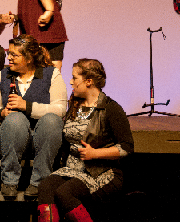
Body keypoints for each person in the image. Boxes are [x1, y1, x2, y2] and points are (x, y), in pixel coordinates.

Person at [37, 59, 134, 222]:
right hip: (72, 169)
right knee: (46, 187)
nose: (70, 81)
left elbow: (126, 148)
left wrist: (95, 153)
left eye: (75, 78)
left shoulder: (110, 109)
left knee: (64, 194)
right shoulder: (74, 104)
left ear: (88, 82)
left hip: (101, 172)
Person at [0, 34, 67, 199]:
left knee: (52, 120)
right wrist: (2, 113)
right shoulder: (3, 75)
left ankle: (39, 182)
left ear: (29, 59)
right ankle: (9, 181)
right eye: (9, 53)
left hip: (40, 138)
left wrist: (27, 106)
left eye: (14, 55)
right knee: (16, 119)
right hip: (10, 137)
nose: (9, 58)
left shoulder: (51, 75)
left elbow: (60, 109)